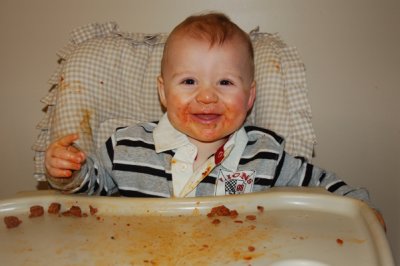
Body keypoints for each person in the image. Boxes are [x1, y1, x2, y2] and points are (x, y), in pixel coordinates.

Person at [44, 12, 384, 226]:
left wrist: (361, 208)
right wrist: (70, 172)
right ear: (163, 92)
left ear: (249, 97)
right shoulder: (126, 146)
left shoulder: (265, 156)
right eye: (189, 81)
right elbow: (91, 191)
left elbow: (320, 185)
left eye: (225, 82)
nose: (207, 96)